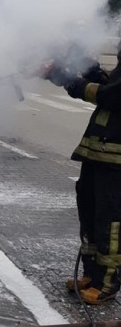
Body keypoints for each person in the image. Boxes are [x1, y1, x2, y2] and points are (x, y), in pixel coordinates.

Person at [43, 53, 121, 304]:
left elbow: (111, 95)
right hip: (99, 153)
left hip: (116, 161)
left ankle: (107, 283)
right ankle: (91, 273)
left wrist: (70, 81)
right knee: (89, 211)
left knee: (110, 221)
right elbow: (108, 83)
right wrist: (86, 68)